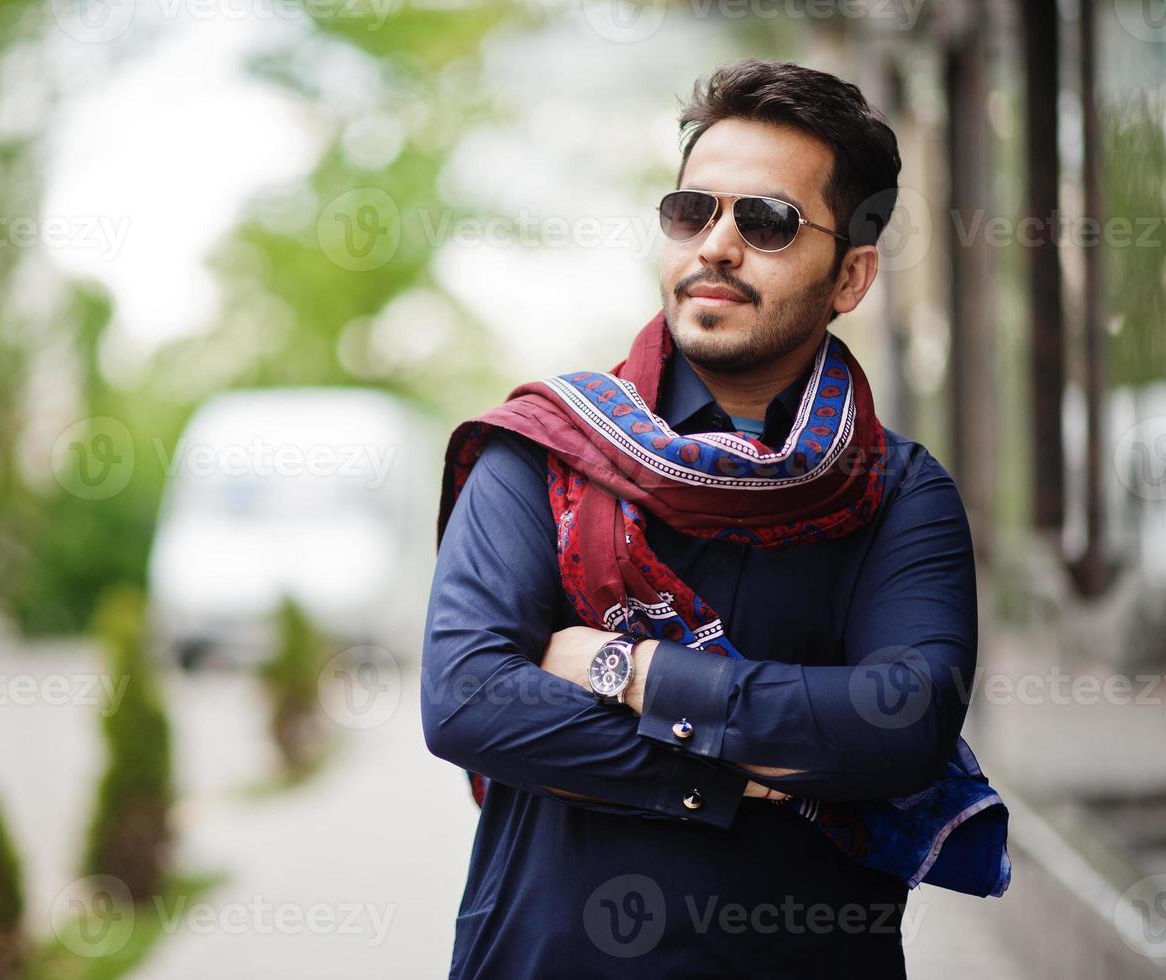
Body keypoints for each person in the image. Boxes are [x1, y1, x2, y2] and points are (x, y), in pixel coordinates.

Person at [420, 59, 1008, 979]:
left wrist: (628, 668)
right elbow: (467, 700)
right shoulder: (544, 450)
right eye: (691, 211)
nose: (716, 246)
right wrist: (742, 778)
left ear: (850, 276)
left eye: (766, 222)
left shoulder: (898, 491)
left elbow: (902, 724)